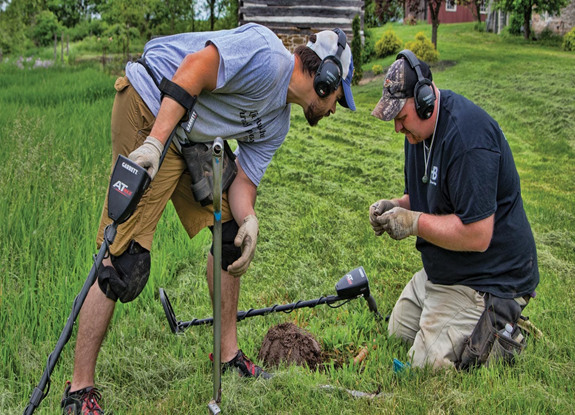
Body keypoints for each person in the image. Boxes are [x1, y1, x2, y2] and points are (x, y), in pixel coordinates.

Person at [61, 23, 356, 414]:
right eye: (339, 96)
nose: (336, 107)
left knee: (231, 235)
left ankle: (227, 355)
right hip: (152, 105)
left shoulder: (278, 123)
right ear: (326, 78)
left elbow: (244, 181)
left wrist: (248, 218)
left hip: (189, 138)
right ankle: (80, 390)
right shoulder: (267, 56)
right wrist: (154, 144)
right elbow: (196, 68)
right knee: (123, 258)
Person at [368, 50, 539, 370]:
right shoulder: (417, 136)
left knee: (424, 365)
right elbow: (421, 198)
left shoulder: (468, 140)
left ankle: (502, 328)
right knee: (398, 333)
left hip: (488, 277)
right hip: (447, 268)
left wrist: (414, 222)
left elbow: (477, 234)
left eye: (400, 118)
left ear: (424, 102)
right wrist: (394, 207)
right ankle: (468, 325)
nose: (397, 129)